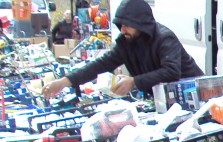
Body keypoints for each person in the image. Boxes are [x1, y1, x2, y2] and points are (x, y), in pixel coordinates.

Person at [42, 0, 203, 98]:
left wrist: (134, 82)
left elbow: (171, 71)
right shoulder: (126, 43)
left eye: (127, 25)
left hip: (193, 93)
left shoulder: (164, 38)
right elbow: (100, 64)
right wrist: (65, 81)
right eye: (121, 25)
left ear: (140, 23)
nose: (123, 30)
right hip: (167, 99)